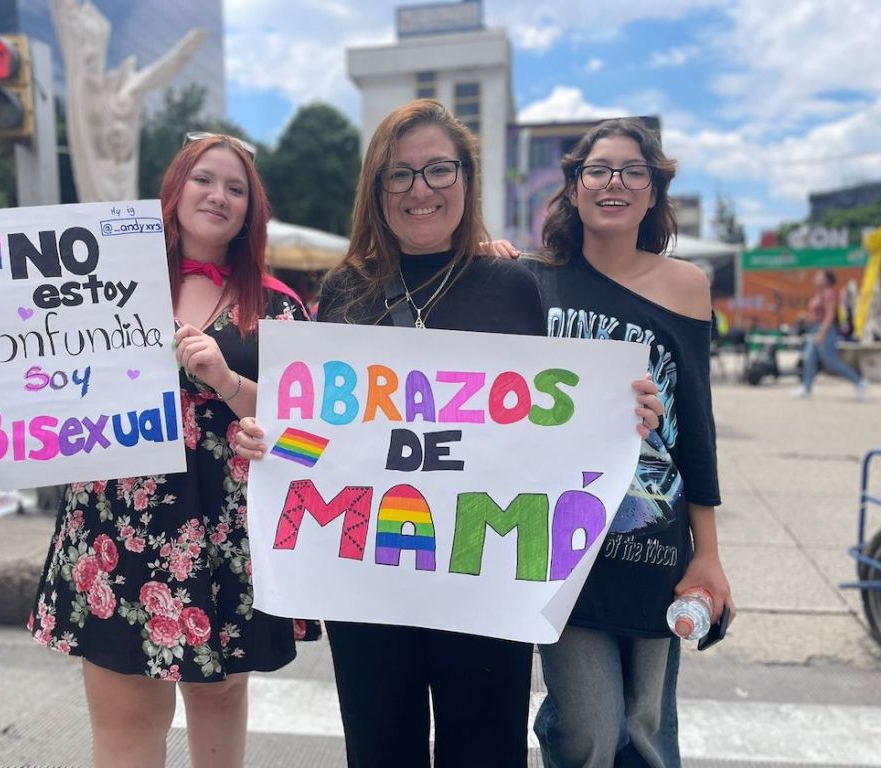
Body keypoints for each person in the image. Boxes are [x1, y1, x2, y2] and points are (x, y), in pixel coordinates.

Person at [233, 100, 664, 768]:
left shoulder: (518, 284)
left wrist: (621, 416)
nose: (420, 189)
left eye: (438, 169)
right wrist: (272, 443)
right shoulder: (346, 290)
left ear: (466, 177)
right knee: (381, 751)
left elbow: (557, 425)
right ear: (376, 192)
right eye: (399, 175)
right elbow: (315, 436)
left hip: (483, 581)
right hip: (366, 582)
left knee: (485, 751)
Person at [0, 134, 317, 768]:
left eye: (236, 188)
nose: (219, 196)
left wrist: (230, 385)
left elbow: (306, 430)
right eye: (204, 180)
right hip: (116, 526)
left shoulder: (277, 306)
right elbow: (15, 361)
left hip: (226, 532)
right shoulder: (96, 279)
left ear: (252, 211)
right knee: (127, 723)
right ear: (174, 190)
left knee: (219, 704)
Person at [519, 117, 734, 768]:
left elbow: (696, 428)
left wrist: (710, 554)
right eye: (598, 170)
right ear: (575, 188)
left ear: (652, 192)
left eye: (632, 171)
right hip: (560, 544)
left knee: (645, 729)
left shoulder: (685, 286)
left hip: (654, 542)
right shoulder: (530, 282)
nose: (614, 182)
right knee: (587, 725)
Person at [792, 269, 868, 399]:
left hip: (826, 330)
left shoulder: (829, 294)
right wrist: (807, 318)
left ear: (826, 280)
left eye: (819, 276)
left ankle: (859, 382)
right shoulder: (819, 294)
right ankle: (806, 387)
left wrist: (822, 333)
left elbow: (830, 315)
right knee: (809, 359)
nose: (815, 278)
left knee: (831, 361)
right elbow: (817, 315)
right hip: (816, 329)